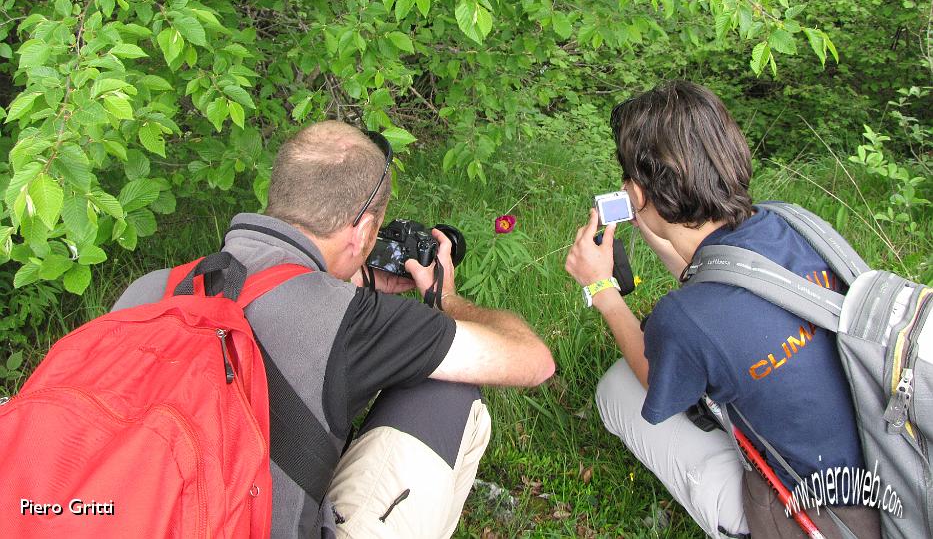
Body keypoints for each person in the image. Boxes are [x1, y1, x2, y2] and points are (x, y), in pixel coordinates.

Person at [112, 120, 555, 538]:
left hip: (129, 515)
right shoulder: (350, 318)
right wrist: (445, 297)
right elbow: (534, 361)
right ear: (364, 231)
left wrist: (346, 276)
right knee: (448, 389)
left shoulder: (150, 289)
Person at [564, 81, 880, 539]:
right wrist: (659, 226)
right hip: (892, 466)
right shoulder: (790, 220)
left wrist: (602, 290)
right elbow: (723, 271)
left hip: (827, 519)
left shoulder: (684, 317)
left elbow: (657, 386)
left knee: (617, 389)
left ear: (637, 192)